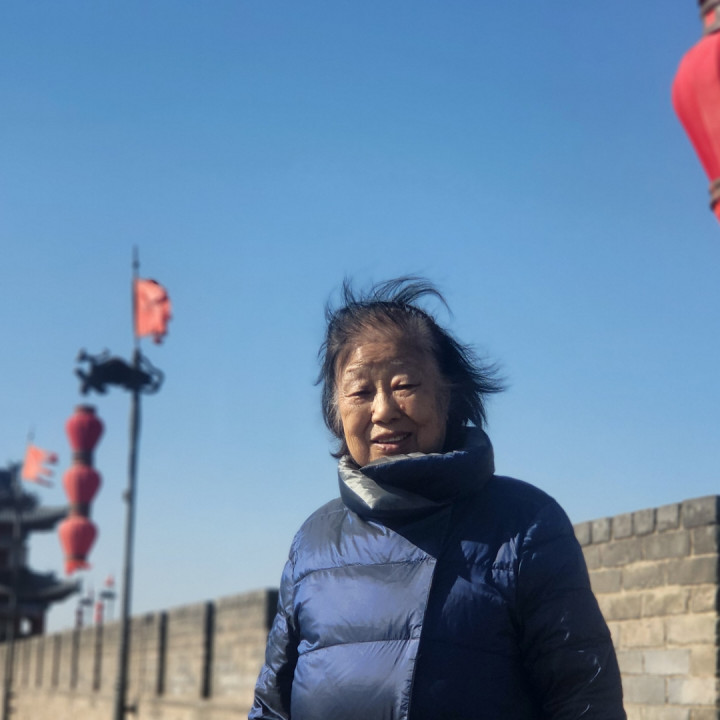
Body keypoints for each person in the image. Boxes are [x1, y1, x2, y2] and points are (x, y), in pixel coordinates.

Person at [249, 277, 626, 720]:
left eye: (404, 385)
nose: (383, 409)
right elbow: (270, 708)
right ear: (336, 412)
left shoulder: (525, 525)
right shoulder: (313, 541)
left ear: (449, 394)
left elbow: (585, 704)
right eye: (361, 392)